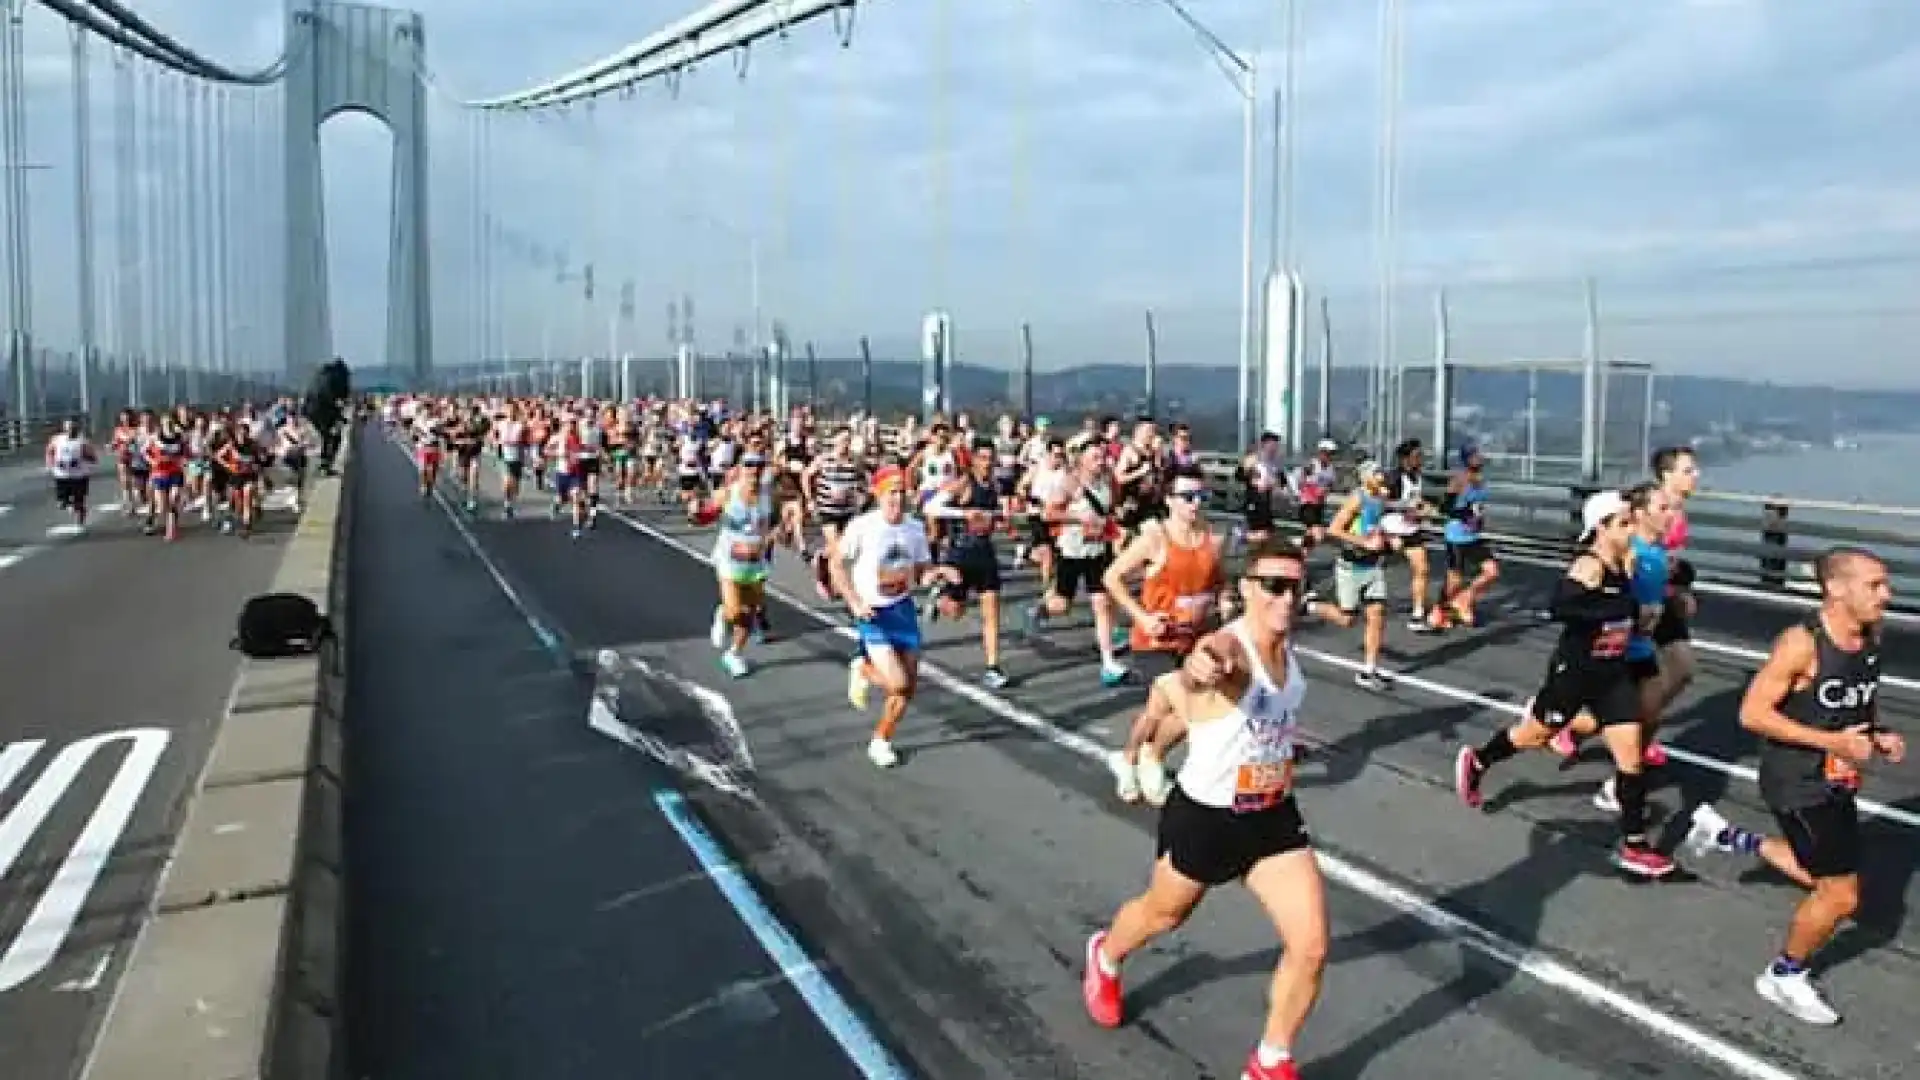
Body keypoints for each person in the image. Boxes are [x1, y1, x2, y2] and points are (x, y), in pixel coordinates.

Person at [1082, 538, 1326, 1080]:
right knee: (1164, 914)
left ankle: (1270, 1061)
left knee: (1309, 947)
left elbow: (1255, 716)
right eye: (1274, 586)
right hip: (1207, 818)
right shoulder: (1232, 646)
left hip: (1273, 818)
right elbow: (1210, 663)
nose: (1286, 598)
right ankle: (1105, 956)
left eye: (1296, 586)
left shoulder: (1290, 655)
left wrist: (1285, 743)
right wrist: (1202, 666)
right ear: (1246, 589)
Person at [1686, 546, 1902, 1027]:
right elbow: (1752, 714)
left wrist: (1876, 734)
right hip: (1797, 782)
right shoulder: (1801, 644)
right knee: (1842, 895)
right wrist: (1833, 742)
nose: (1886, 594)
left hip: (1835, 778)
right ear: (1836, 589)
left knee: (1820, 874)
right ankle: (1783, 975)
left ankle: (1726, 837)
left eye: (1886, 584)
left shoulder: (1869, 636)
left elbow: (1853, 702)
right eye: (1875, 585)